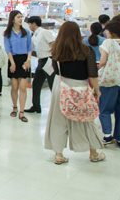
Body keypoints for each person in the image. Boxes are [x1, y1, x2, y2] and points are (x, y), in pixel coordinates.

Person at [44, 21, 105, 164]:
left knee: (58, 121)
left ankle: (58, 154)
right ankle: (94, 153)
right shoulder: (86, 51)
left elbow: (55, 70)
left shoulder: (56, 50)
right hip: (81, 88)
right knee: (87, 120)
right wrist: (96, 90)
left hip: (61, 87)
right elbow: (92, 73)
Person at [4, 10, 32, 122]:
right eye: (18, 17)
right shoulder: (8, 34)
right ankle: (14, 107)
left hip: (24, 59)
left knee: (23, 87)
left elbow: (30, 48)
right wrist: (12, 63)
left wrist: (28, 60)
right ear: (13, 19)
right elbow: (8, 49)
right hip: (13, 59)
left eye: (21, 17)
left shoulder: (26, 32)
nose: (21, 19)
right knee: (14, 86)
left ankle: (22, 111)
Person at [26, 16, 55, 113]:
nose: (29, 26)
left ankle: (57, 108)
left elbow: (53, 44)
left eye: (30, 24)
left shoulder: (44, 32)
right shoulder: (34, 35)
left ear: (34, 23)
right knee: (36, 84)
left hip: (49, 60)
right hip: (41, 61)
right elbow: (35, 50)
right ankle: (36, 106)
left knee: (52, 85)